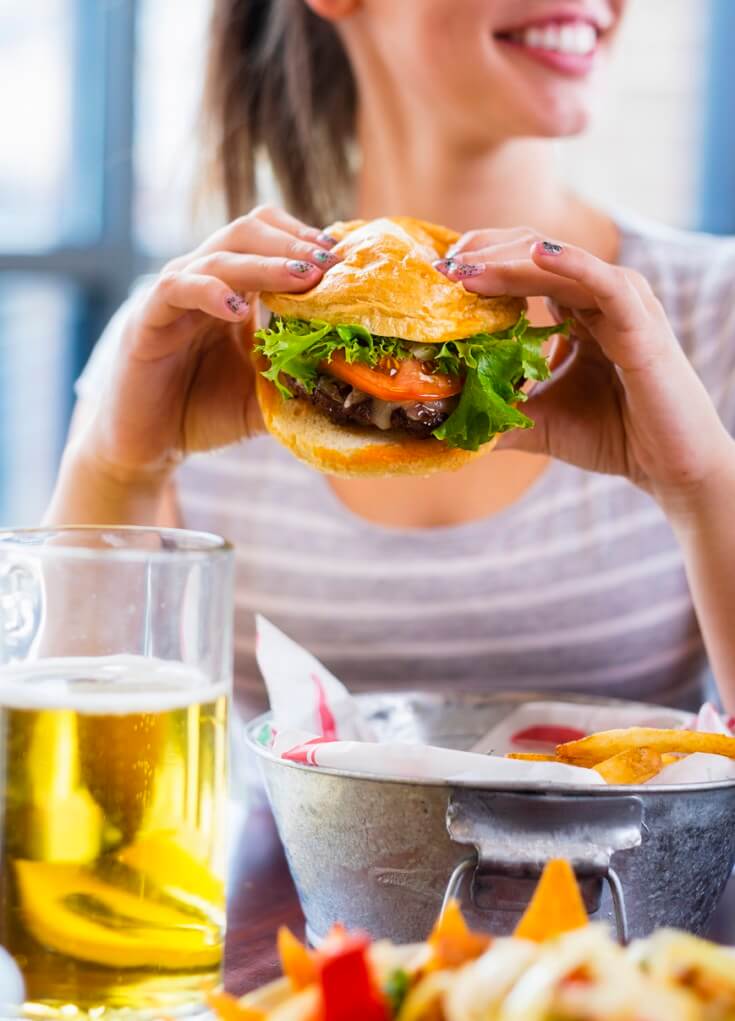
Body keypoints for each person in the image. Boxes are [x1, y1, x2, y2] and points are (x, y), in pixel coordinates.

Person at [48, 0, 735, 714]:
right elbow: (78, 794)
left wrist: (701, 486)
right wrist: (119, 471)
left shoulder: (717, 311)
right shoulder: (187, 331)